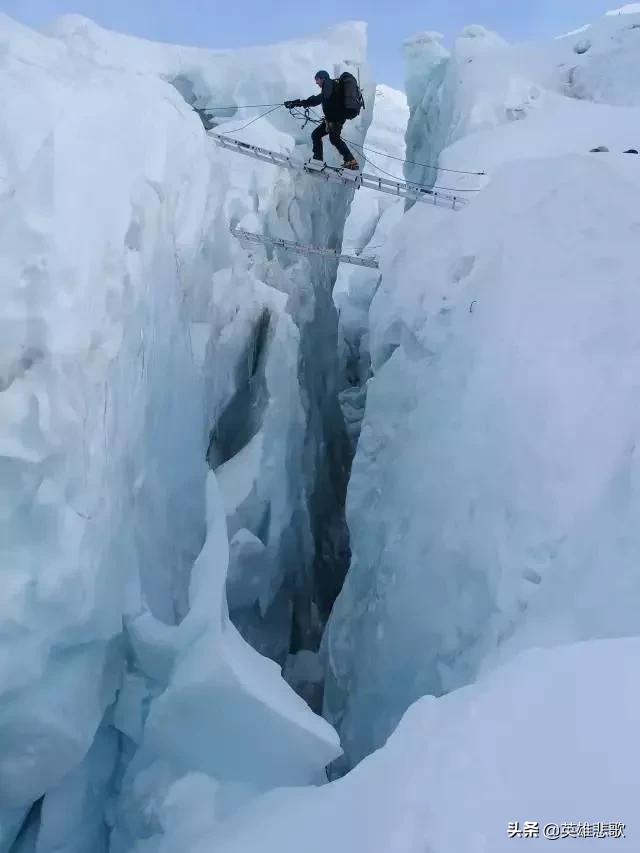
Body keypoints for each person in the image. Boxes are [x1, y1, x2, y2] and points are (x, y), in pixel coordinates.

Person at [285, 70, 359, 170]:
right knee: (316, 135)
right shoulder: (332, 86)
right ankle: (318, 160)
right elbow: (324, 98)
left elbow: (319, 99)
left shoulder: (328, 84)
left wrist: (297, 103)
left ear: (323, 78)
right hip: (332, 119)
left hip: (335, 120)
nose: (316, 82)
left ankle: (350, 161)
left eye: (317, 79)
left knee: (334, 139)